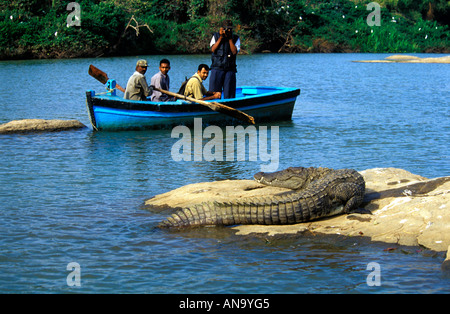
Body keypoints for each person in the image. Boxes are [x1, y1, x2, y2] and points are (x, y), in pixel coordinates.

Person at [209, 19, 240, 99]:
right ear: (221, 28)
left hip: (230, 70)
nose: (228, 30)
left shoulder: (235, 38)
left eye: (230, 28)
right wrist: (221, 37)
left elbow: (234, 52)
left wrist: (230, 39)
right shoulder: (215, 36)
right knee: (214, 94)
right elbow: (213, 49)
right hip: (217, 68)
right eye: (226, 28)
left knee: (229, 95)